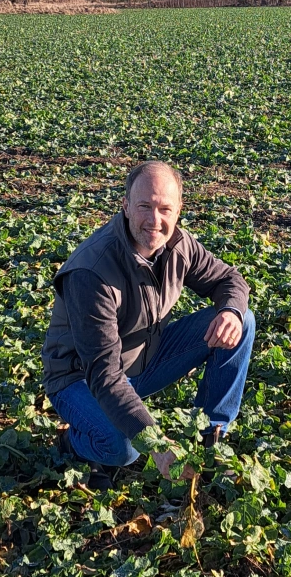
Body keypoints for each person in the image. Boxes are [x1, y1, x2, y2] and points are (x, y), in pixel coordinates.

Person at [41, 161, 255, 489]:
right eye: (145, 206)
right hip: (79, 379)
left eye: (165, 209)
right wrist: (155, 443)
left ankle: (209, 438)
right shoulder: (92, 272)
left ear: (179, 210)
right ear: (125, 206)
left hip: (143, 360)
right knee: (122, 447)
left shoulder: (178, 246)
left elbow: (229, 279)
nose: (155, 221)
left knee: (242, 320)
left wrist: (230, 312)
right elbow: (104, 374)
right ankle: (75, 442)